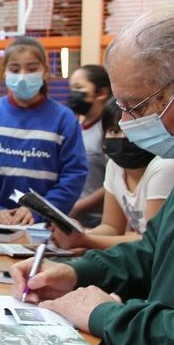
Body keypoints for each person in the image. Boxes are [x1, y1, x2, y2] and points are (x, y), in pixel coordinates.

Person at [10, 5, 174, 345]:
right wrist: (76, 273)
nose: (126, 122)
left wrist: (104, 314)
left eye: (137, 106)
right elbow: (155, 250)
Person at [0, 37, 87, 225]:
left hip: (42, 227)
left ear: (45, 72)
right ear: (4, 73)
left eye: (32, 69)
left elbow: (74, 175)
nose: (23, 76)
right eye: (15, 69)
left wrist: (40, 210)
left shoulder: (64, 119)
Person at [51, 100, 174, 251]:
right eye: (114, 131)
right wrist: (79, 233)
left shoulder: (165, 166)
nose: (123, 138)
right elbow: (111, 227)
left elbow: (152, 241)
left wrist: (85, 239)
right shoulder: (115, 166)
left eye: (132, 131)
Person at [66, 65, 111, 227]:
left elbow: (116, 182)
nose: (73, 94)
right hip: (71, 216)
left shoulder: (109, 132)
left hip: (98, 220)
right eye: (71, 88)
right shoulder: (75, 124)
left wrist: (78, 207)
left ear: (101, 93)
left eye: (78, 88)